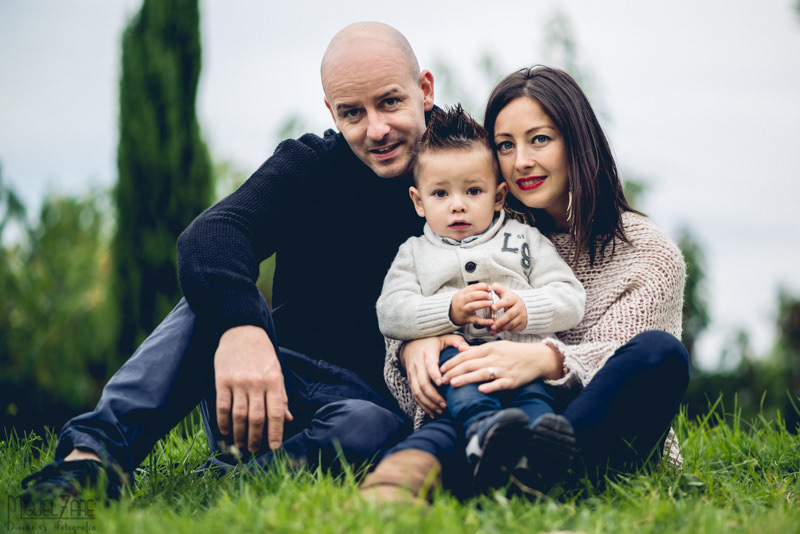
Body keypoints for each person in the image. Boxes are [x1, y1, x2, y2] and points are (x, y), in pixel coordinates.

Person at [20, 21, 436, 500]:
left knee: (373, 426)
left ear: (423, 90)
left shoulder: (467, 170)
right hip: (268, 386)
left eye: (389, 102)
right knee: (211, 296)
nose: (376, 129)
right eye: (352, 113)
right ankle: (89, 462)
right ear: (331, 111)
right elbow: (213, 234)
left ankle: (223, 486)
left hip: (370, 407)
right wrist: (244, 328)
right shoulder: (310, 165)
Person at [360, 66, 689, 502]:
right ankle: (416, 477)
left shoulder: (648, 253)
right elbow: (407, 303)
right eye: (505, 146)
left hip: (588, 424)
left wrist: (543, 359)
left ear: (577, 142)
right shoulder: (484, 228)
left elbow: (618, 358)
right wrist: (418, 341)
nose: (522, 162)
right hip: (487, 407)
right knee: (472, 412)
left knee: (660, 354)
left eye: (540, 139)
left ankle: (529, 469)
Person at [375, 105, 585, 490]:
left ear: (499, 195)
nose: (458, 204)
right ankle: (484, 436)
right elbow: (391, 312)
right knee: (464, 384)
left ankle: (542, 449)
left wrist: (527, 308)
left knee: (536, 398)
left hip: (521, 358)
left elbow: (571, 297)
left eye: (473, 191)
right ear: (418, 201)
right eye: (440, 193)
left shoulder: (524, 240)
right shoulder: (414, 254)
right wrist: (448, 310)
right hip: (456, 362)